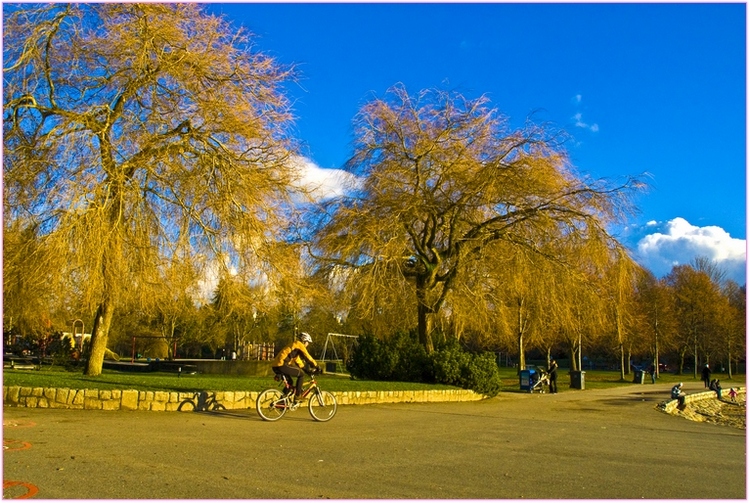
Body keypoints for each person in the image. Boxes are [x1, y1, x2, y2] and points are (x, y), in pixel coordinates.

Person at [271, 332, 321, 401]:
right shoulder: (299, 345)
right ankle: (298, 395)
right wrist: (316, 366)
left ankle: (281, 402)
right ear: (304, 341)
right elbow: (307, 357)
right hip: (282, 364)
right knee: (301, 375)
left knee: (290, 383)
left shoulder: (295, 347)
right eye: (308, 342)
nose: (308, 344)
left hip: (276, 365)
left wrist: (306, 370)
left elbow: (298, 361)